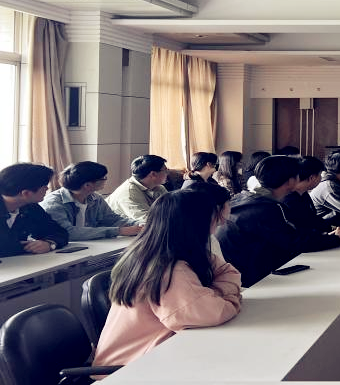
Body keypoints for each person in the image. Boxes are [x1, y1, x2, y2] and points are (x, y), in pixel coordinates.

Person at [93, 187, 241, 368]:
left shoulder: (159, 251)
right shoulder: (168, 269)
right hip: (129, 369)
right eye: (213, 218)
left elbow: (228, 272)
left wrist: (214, 294)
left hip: (153, 355)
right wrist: (227, 297)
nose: (218, 223)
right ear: (196, 223)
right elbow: (213, 313)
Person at [217, 156, 340, 287]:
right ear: (290, 181)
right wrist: (338, 239)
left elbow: (290, 236)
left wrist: (329, 236)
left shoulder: (242, 198)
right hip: (253, 280)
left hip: (232, 274)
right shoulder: (269, 207)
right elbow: (296, 243)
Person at [41, 162, 142, 241]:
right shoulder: (54, 203)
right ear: (87, 185)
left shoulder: (96, 198)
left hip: (91, 246)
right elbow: (68, 233)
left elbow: (113, 219)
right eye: (103, 178)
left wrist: (141, 225)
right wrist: (119, 231)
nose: (106, 180)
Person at [0, 163, 69, 256]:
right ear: (26, 193)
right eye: (44, 186)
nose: (47, 188)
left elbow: (60, 232)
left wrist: (49, 243)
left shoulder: (31, 207)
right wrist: (18, 246)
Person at [107, 155, 168, 224]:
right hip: (118, 228)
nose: (168, 173)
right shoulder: (129, 193)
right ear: (153, 174)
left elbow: (171, 209)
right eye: (165, 170)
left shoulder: (159, 187)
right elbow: (148, 220)